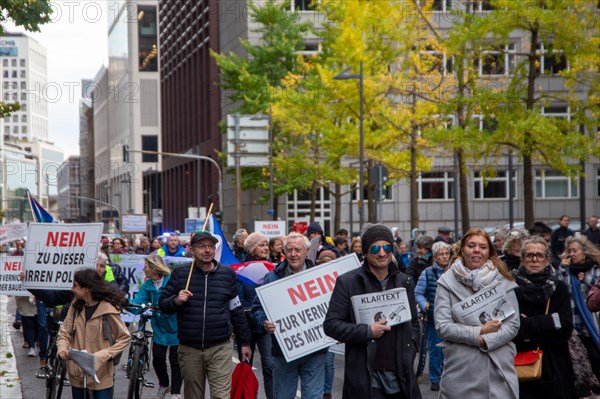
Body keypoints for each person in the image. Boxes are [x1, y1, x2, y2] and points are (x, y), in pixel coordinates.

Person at [324, 224, 422, 399]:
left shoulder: (404, 281)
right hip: (366, 379)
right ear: (365, 252)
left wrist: (411, 349)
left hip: (401, 378)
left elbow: (414, 323)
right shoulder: (347, 282)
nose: (382, 253)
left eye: (387, 247)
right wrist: (367, 331)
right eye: (376, 248)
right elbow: (331, 325)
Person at [159, 230, 251, 399]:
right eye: (202, 246)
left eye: (210, 246)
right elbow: (163, 304)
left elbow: (236, 310)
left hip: (220, 347)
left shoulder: (227, 274)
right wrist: (176, 300)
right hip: (189, 348)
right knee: (194, 396)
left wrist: (244, 342)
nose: (207, 250)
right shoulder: (181, 274)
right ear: (192, 250)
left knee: (221, 396)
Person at [434, 227, 520, 398]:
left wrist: (487, 341)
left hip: (498, 366)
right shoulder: (446, 282)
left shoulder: (503, 279)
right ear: (461, 250)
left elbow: (513, 324)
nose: (476, 250)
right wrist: (478, 334)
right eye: (471, 245)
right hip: (461, 369)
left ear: (489, 251)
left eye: (482, 246)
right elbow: (443, 326)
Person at [253, 232, 328, 399]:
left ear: (306, 252)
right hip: (283, 351)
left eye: (298, 250)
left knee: (313, 396)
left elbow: (333, 306)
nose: (293, 254)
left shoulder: (321, 276)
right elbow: (257, 308)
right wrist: (264, 321)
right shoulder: (271, 278)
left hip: (315, 350)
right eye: (289, 250)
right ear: (284, 252)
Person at [512, 236, 577, 398]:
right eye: (529, 255)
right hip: (521, 364)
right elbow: (512, 331)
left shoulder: (559, 288)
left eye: (540, 255)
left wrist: (528, 325)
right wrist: (549, 321)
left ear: (547, 260)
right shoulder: (511, 289)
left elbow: (566, 328)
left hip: (555, 364)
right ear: (522, 259)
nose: (535, 259)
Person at [57, 268, 131, 399]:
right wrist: (62, 347)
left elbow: (124, 338)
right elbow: (65, 332)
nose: (72, 289)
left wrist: (103, 355)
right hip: (77, 373)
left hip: (101, 374)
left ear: (86, 289)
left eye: (75, 285)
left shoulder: (108, 310)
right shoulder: (75, 307)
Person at [130, 254, 181, 399]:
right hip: (159, 325)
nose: (143, 269)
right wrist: (123, 302)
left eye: (145, 266)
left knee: (175, 359)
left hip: (175, 324)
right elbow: (138, 303)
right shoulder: (147, 284)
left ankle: (176, 392)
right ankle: (164, 385)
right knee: (157, 359)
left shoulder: (171, 281)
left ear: (153, 267)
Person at [557, 235, 600, 397]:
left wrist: (586, 278)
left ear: (584, 252)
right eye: (569, 251)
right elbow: (562, 288)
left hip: (591, 322)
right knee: (577, 359)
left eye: (575, 250)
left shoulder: (593, 268)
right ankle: (582, 387)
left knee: (595, 355)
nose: (572, 254)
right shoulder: (565, 269)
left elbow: (597, 289)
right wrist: (563, 268)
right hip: (573, 323)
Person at [235, 232, 275, 399]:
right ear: (251, 249)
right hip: (246, 326)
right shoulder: (241, 271)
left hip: (266, 326)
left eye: (266, 244)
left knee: (269, 366)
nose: (265, 248)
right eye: (261, 245)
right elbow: (239, 301)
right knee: (246, 366)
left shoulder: (274, 269)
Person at [414, 241, 451, 391]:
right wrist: (425, 306)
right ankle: (435, 379)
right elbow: (418, 293)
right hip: (433, 318)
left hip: (451, 317)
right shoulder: (427, 273)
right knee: (436, 350)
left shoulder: (454, 271)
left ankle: (447, 376)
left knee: (450, 350)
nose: (444, 256)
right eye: (441, 254)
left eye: (446, 253)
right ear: (434, 257)